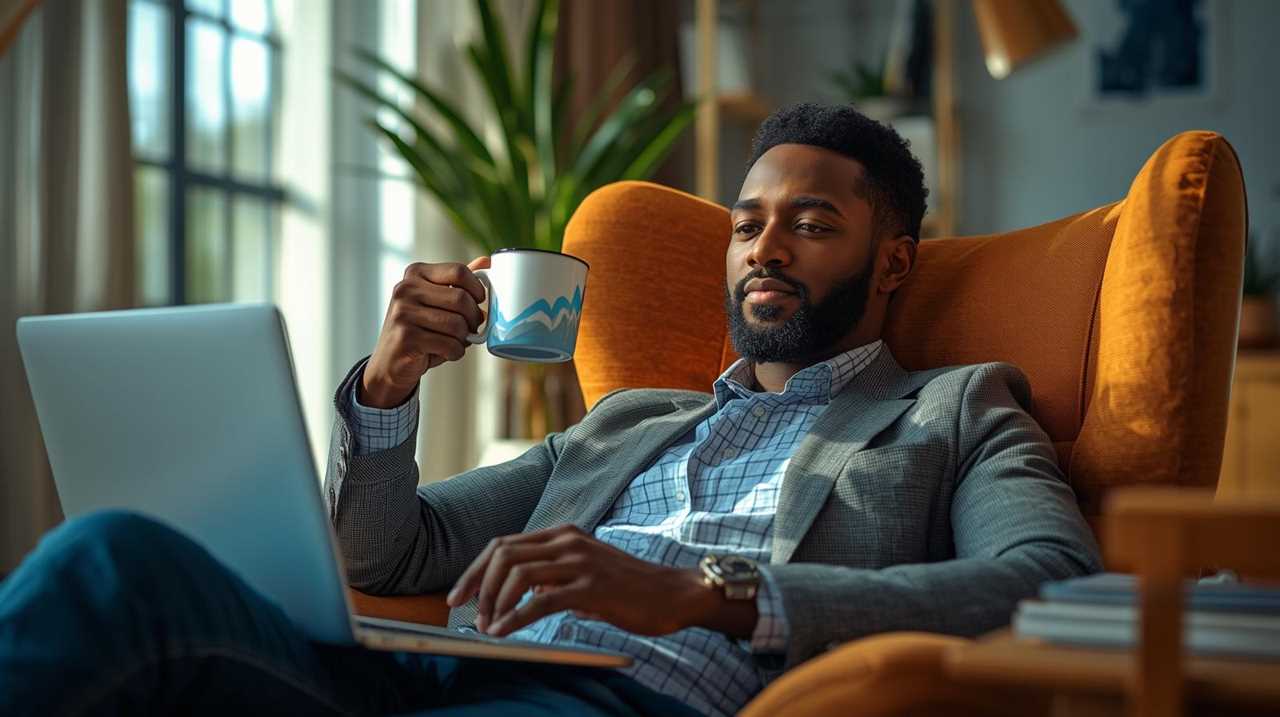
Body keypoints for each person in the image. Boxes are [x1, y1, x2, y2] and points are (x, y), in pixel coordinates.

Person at [0, 103, 1101, 716]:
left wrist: (703, 594)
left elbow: (1048, 580)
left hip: (628, 704)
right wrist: (389, 385)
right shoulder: (629, 421)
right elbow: (389, 555)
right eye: (745, 224)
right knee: (114, 560)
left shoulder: (954, 408)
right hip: (446, 674)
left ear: (892, 260)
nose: (765, 248)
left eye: (810, 224)